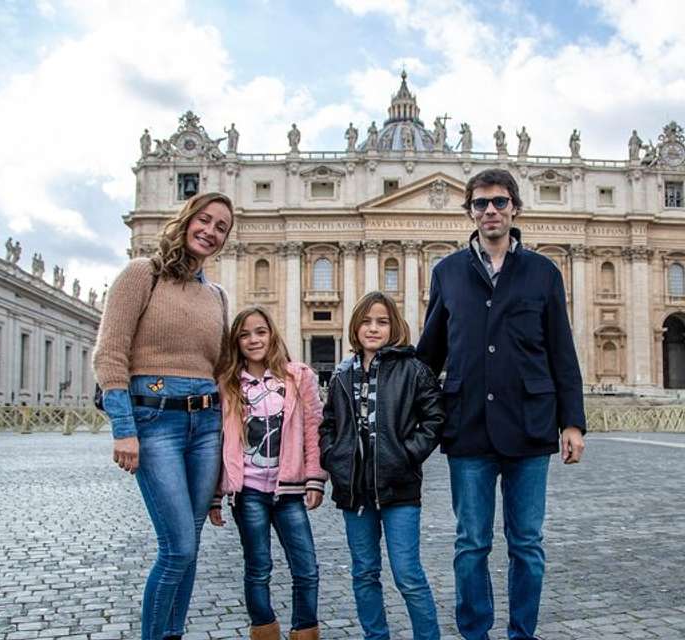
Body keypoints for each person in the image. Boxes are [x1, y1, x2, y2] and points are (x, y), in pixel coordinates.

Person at [416, 168, 586, 640]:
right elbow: (430, 354)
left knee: (527, 543)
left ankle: (521, 633)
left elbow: (562, 350)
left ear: (515, 208)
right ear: (470, 211)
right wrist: (388, 386)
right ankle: (475, 632)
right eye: (480, 203)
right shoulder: (447, 272)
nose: (490, 210)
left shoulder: (544, 272)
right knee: (471, 543)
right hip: (467, 424)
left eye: (499, 202)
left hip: (530, 424)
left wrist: (573, 422)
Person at [92, 191, 234, 640]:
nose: (210, 231)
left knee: (190, 547)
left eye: (221, 228)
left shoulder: (217, 295)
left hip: (206, 426)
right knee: (178, 548)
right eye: (205, 220)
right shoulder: (142, 273)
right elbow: (110, 354)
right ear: (186, 219)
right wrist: (124, 429)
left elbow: (221, 368)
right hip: (156, 424)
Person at [319, 291, 448, 640]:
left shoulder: (414, 370)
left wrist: (407, 454)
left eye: (382, 322)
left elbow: (435, 418)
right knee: (364, 573)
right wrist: (333, 457)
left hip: (399, 488)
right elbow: (328, 424)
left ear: (395, 327)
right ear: (355, 327)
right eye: (366, 321)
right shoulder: (342, 374)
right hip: (354, 492)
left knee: (408, 575)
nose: (373, 328)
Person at [209, 306, 326, 640]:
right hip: (247, 492)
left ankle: (305, 630)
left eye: (260, 332)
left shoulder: (298, 377)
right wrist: (215, 496)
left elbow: (313, 429)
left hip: (289, 489)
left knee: (306, 568)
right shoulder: (228, 384)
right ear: (236, 342)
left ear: (272, 334)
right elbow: (218, 442)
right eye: (244, 335)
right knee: (258, 568)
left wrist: (315, 477)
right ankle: (264, 630)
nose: (253, 340)